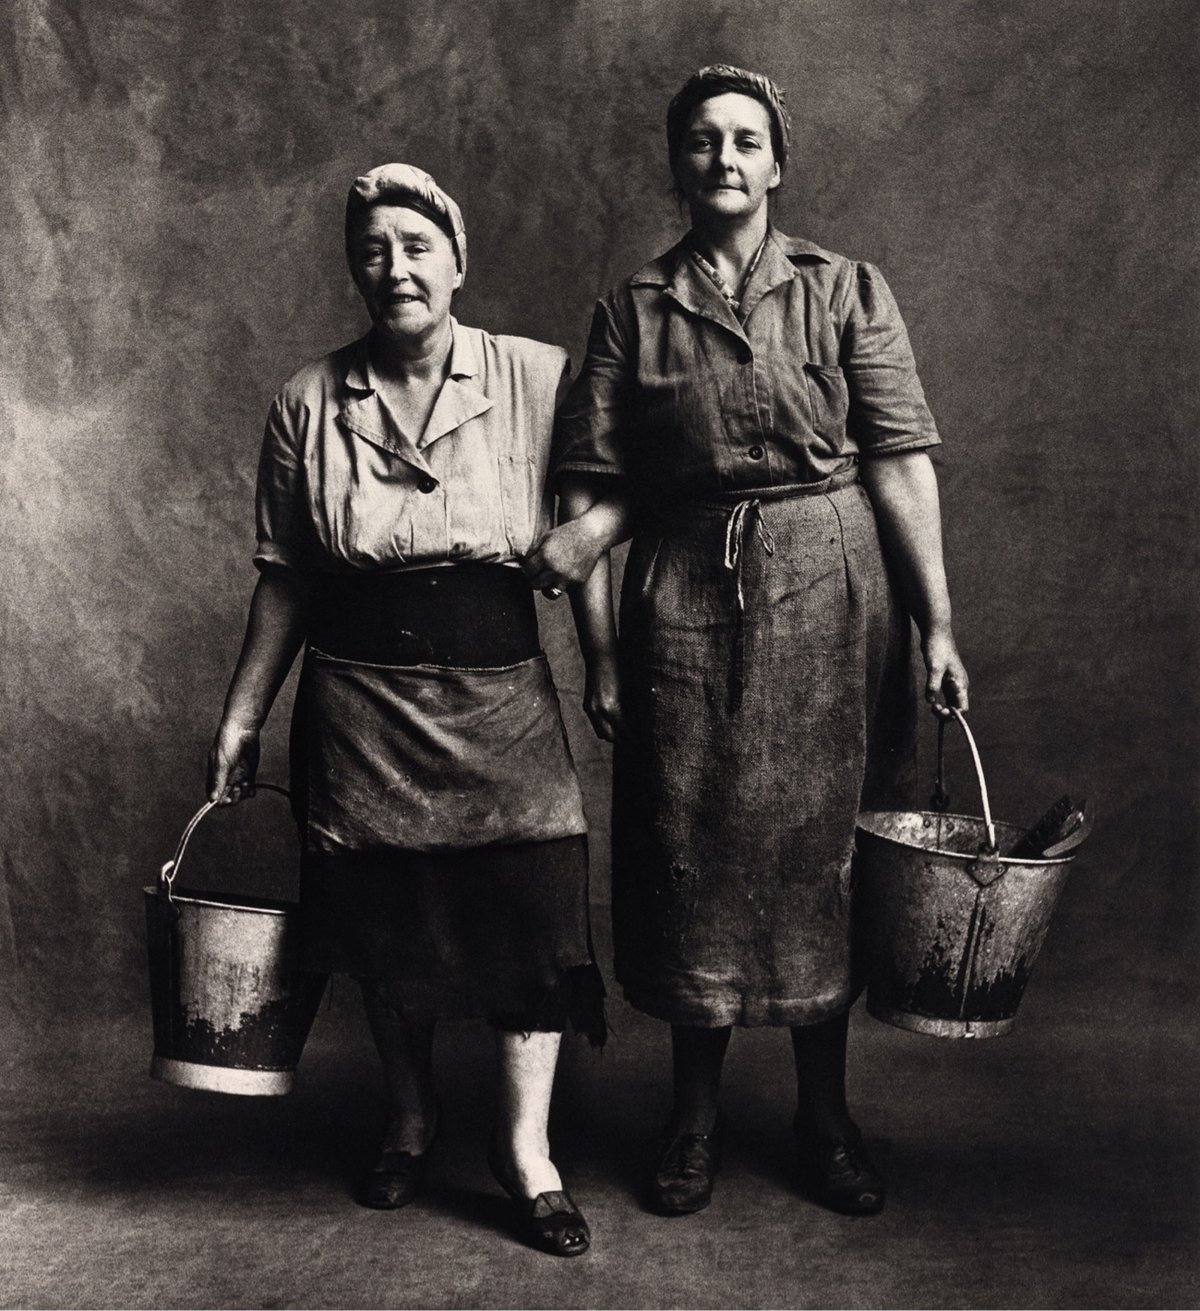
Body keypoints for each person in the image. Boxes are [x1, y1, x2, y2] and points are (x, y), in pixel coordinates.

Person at [524, 66, 969, 1217]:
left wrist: (937, 623)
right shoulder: (632, 309)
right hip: (678, 600)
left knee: (820, 856)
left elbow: (899, 464)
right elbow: (588, 487)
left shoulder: (847, 290)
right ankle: (693, 1120)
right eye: (703, 141)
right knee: (689, 851)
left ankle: (826, 1118)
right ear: (677, 164)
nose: (725, 158)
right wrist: (604, 658)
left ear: (778, 163)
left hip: (832, 595)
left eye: (747, 140)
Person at [207, 163, 602, 1257]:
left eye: (417, 247)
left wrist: (595, 598)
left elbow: (623, 487)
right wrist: (242, 716)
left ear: (459, 261)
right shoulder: (305, 399)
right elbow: (285, 575)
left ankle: (528, 1153)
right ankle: (413, 1115)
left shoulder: (535, 375)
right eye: (374, 249)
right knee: (390, 934)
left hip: (501, 703)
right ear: (355, 268)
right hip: (359, 713)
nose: (396, 269)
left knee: (532, 923)